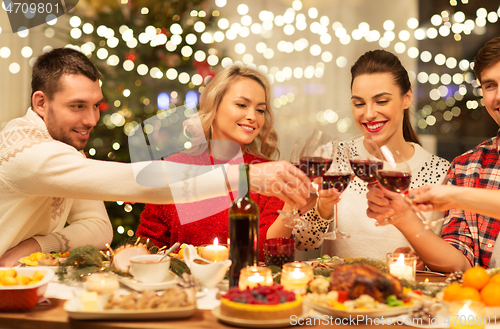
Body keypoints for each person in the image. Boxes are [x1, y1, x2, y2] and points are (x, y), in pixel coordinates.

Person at [0, 48, 312, 266]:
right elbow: (138, 183)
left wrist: (36, 246)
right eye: (77, 106)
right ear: (41, 103)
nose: (92, 119)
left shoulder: (66, 149)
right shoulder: (25, 152)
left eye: (96, 105)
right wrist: (245, 176)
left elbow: (97, 227)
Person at [268, 50, 450, 264]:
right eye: (359, 103)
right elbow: (305, 243)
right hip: (337, 292)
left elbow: (448, 259)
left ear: (407, 98)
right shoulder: (332, 157)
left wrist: (423, 260)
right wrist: (323, 209)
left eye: (381, 101)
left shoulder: (439, 171)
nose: (369, 114)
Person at [136, 66, 317, 260]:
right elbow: (148, 244)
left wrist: (291, 209)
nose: (253, 116)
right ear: (214, 107)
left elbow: (266, 254)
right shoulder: (176, 166)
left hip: (244, 286)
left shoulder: (267, 172)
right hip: (182, 287)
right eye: (241, 105)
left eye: (260, 110)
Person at [367, 35, 500, 272]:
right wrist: (404, 216)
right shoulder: (467, 166)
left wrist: (457, 196)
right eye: (490, 85)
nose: (498, 96)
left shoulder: (457, 190)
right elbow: (460, 264)